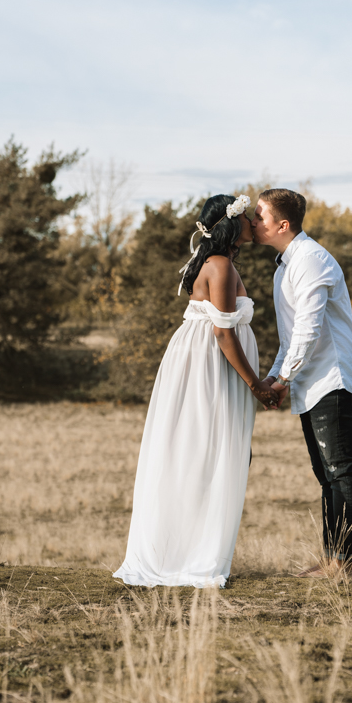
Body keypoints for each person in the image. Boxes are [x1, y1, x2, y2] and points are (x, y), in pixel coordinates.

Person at [113, 194, 277, 589]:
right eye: (248, 217)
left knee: (206, 450)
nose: (255, 222)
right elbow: (222, 332)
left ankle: (190, 548)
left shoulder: (219, 262)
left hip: (208, 363)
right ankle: (186, 556)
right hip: (209, 366)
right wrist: (256, 385)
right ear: (230, 224)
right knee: (202, 450)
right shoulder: (218, 266)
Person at [252, 189, 352, 576]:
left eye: (260, 216)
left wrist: (284, 378)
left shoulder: (312, 259)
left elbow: (310, 327)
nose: (253, 222)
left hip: (332, 379)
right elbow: (290, 337)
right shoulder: (285, 265)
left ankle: (345, 563)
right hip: (310, 380)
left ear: (282, 225)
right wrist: (273, 374)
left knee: (341, 469)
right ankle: (331, 559)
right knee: (326, 476)